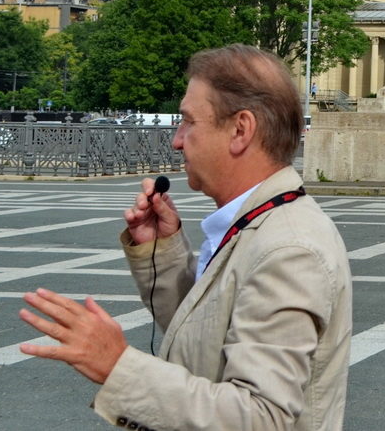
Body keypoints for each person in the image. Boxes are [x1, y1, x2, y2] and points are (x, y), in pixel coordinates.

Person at [18, 44, 352, 430]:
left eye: (189, 121)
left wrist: (119, 366)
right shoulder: (259, 223)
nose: (177, 140)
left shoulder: (287, 250)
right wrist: (163, 251)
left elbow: (262, 417)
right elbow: (204, 341)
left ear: (240, 129)